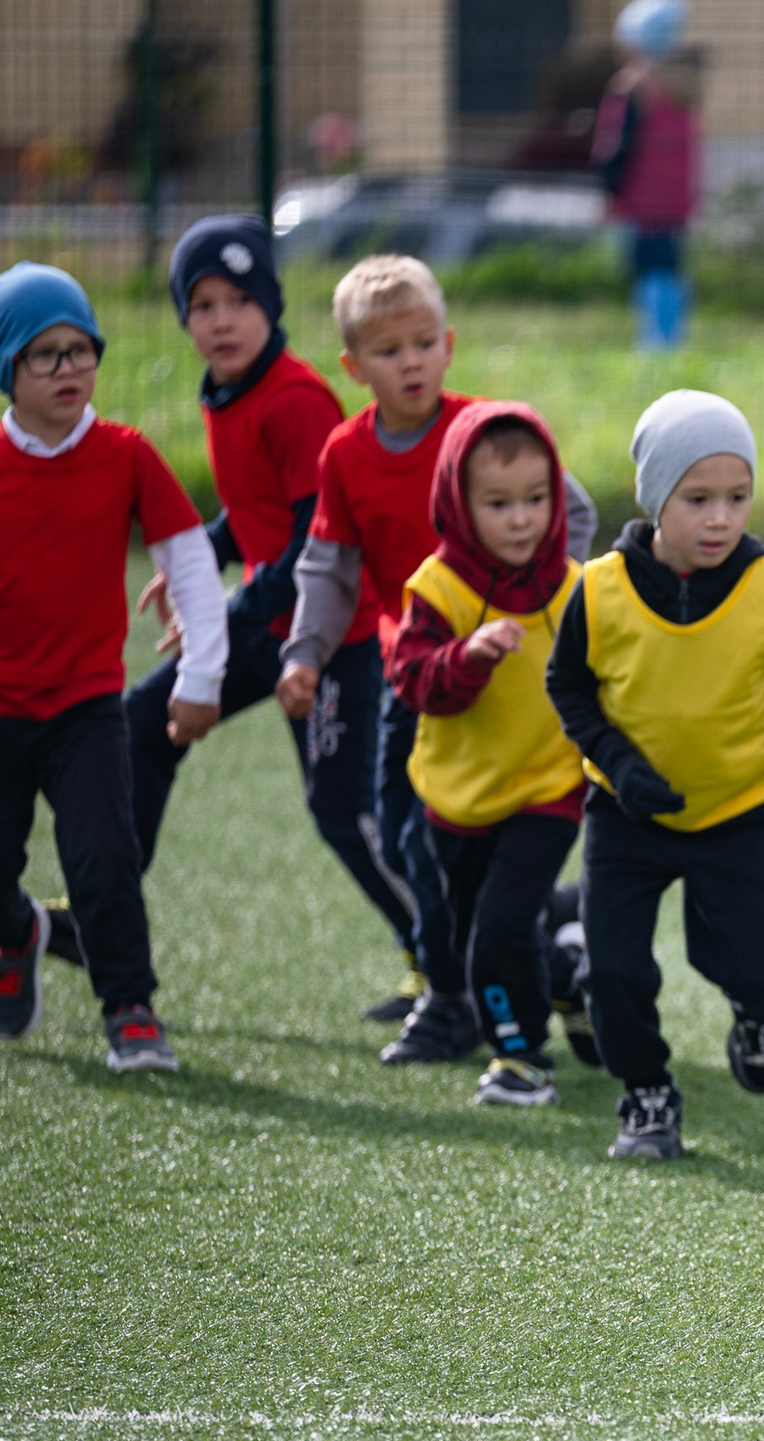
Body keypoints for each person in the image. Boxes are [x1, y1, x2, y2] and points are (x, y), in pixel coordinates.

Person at [0, 263, 226, 1070]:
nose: (69, 368)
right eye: (45, 355)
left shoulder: (127, 455)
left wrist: (201, 679)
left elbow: (192, 562)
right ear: (7, 370)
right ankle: (15, 934)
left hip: (84, 706)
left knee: (105, 858)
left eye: (81, 350)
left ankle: (131, 1008)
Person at [278, 255, 597, 1065]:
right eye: (389, 350)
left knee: (507, 846)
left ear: (448, 344)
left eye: (424, 342)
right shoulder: (345, 456)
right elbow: (327, 564)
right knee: (410, 839)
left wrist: (539, 596)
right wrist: (306, 652)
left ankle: (496, 983)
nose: (410, 360)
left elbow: (576, 510)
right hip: (413, 681)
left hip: (509, 682)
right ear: (353, 367)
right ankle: (462, 988)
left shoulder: (488, 431)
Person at [546, 391, 764, 1161]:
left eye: (737, 497)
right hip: (625, 816)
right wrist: (620, 764)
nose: (721, 518)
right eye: (698, 499)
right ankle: (646, 1094)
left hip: (736, 810)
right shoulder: (600, 589)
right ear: (655, 497)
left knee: (749, 965)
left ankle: (762, 1011)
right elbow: (568, 688)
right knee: (615, 969)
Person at [111, 217, 418, 1009]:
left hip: (331, 636)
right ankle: (105, 918)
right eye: (203, 303)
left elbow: (318, 546)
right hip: (266, 623)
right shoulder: (226, 391)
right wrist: (202, 555)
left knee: (348, 815)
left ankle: (448, 959)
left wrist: (220, 617)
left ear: (272, 309)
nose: (221, 319)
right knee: (141, 725)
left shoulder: (297, 401)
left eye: (240, 301)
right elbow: (259, 510)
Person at [386, 404, 588, 1109]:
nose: (521, 519)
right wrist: (465, 658)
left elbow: (614, 677)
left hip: (549, 788)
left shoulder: (573, 586)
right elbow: (411, 679)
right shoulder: (438, 588)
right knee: (479, 931)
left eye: (536, 499)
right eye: (498, 503)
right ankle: (570, 974)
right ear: (458, 503)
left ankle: (521, 1054)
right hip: (457, 798)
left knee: (500, 928)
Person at [595, 0, 699, 351]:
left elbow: (615, 146)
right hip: (676, 200)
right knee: (670, 267)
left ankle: (654, 342)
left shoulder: (629, 88)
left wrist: (610, 191)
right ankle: (673, 337)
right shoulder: (683, 86)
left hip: (641, 200)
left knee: (647, 269)